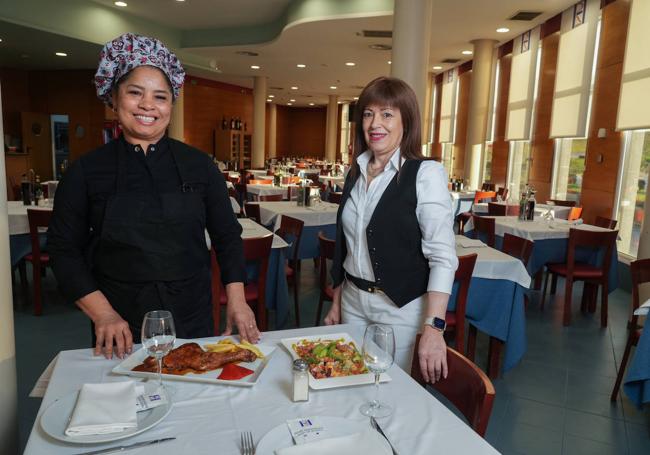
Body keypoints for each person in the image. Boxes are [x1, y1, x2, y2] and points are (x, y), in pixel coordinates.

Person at [47, 33, 260, 360]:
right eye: (135, 93)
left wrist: (237, 300)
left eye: (160, 97)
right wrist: (102, 313)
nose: (148, 105)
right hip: (120, 322)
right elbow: (63, 250)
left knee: (197, 399)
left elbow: (227, 235)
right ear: (114, 99)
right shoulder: (85, 171)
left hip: (192, 315)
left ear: (171, 105)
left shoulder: (199, 165)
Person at [324, 76, 458, 383]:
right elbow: (346, 245)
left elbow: (442, 257)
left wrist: (434, 327)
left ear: (406, 122)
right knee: (349, 384)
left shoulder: (425, 173)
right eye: (368, 114)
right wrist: (336, 300)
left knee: (389, 392)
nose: (375, 124)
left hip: (400, 309)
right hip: (353, 301)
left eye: (387, 114)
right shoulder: (355, 172)